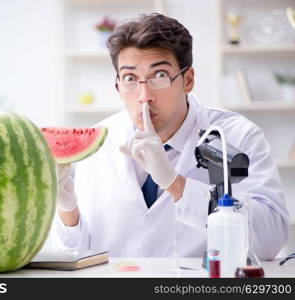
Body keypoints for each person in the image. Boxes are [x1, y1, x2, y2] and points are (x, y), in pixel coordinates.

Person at [54, 13, 289, 259]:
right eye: (130, 79)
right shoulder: (99, 142)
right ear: (118, 87)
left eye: (160, 76)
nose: (144, 95)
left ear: (188, 80)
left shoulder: (239, 136)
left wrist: (175, 184)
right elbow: (77, 254)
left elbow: (270, 240)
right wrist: (68, 211)